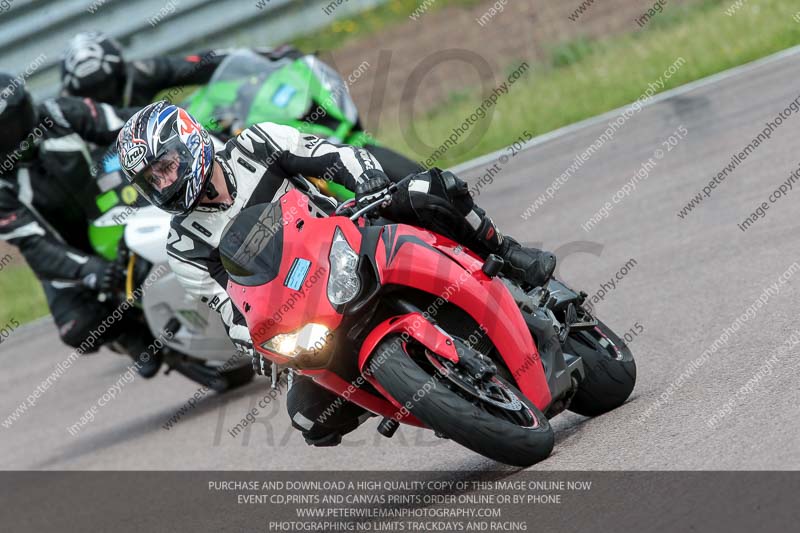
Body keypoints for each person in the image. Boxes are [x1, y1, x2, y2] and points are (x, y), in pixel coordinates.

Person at [116, 101, 557, 445]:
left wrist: (364, 178)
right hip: (309, 307)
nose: (164, 182)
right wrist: (258, 347)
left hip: (354, 239)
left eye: (166, 166)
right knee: (310, 417)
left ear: (190, 140)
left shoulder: (257, 143)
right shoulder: (183, 246)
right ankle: (426, 398)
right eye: (151, 179)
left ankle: (509, 252)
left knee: (430, 190)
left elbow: (331, 155)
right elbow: (232, 308)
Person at [0, 72, 161, 377]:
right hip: (67, 251)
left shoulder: (61, 113)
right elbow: (34, 245)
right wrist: (87, 269)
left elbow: (128, 125)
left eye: (9, 126)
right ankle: (131, 334)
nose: (7, 136)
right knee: (77, 326)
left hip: (119, 211)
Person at [60, 31, 301, 107]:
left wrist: (266, 56)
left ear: (121, 72)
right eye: (94, 91)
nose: (105, 96)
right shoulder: (68, 116)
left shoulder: (144, 72)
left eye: (107, 86)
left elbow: (200, 65)